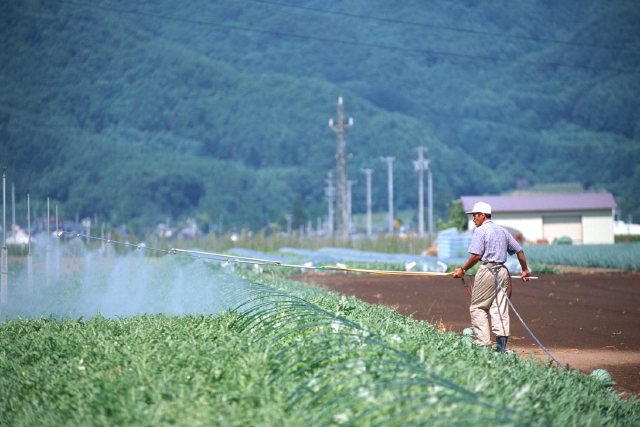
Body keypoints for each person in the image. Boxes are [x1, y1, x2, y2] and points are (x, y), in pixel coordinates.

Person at [452, 202, 531, 352]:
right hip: (502, 271)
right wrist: (525, 270)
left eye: (475, 215)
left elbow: (477, 256)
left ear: (482, 215)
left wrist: (462, 269)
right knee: (499, 308)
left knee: (477, 307)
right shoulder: (503, 231)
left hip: (487, 270)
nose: (474, 219)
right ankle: (500, 349)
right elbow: (519, 251)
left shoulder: (481, 231)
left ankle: (483, 346)